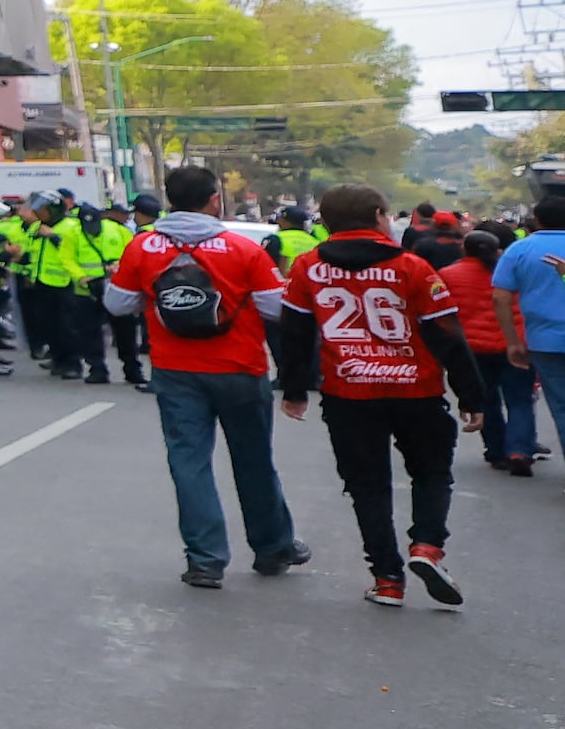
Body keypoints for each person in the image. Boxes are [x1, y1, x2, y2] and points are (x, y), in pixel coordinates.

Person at [271, 186, 489, 611]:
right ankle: (426, 547)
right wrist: (471, 395)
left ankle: (387, 579)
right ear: (376, 215)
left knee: (366, 486)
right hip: (418, 392)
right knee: (431, 474)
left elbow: (294, 334)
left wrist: (294, 390)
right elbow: (447, 336)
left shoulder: (307, 267)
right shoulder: (414, 267)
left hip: (348, 395)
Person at [106, 161, 303, 589]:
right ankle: (272, 548)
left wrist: (154, 300)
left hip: (175, 369)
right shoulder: (243, 249)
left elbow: (118, 304)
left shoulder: (142, 248)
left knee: (188, 463)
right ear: (214, 199)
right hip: (239, 367)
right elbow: (276, 309)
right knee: (253, 461)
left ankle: (206, 560)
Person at [483, 196, 565, 478]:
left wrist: (513, 341)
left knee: (562, 407)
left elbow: (500, 298)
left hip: (545, 342)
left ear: (537, 221)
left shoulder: (520, 249)